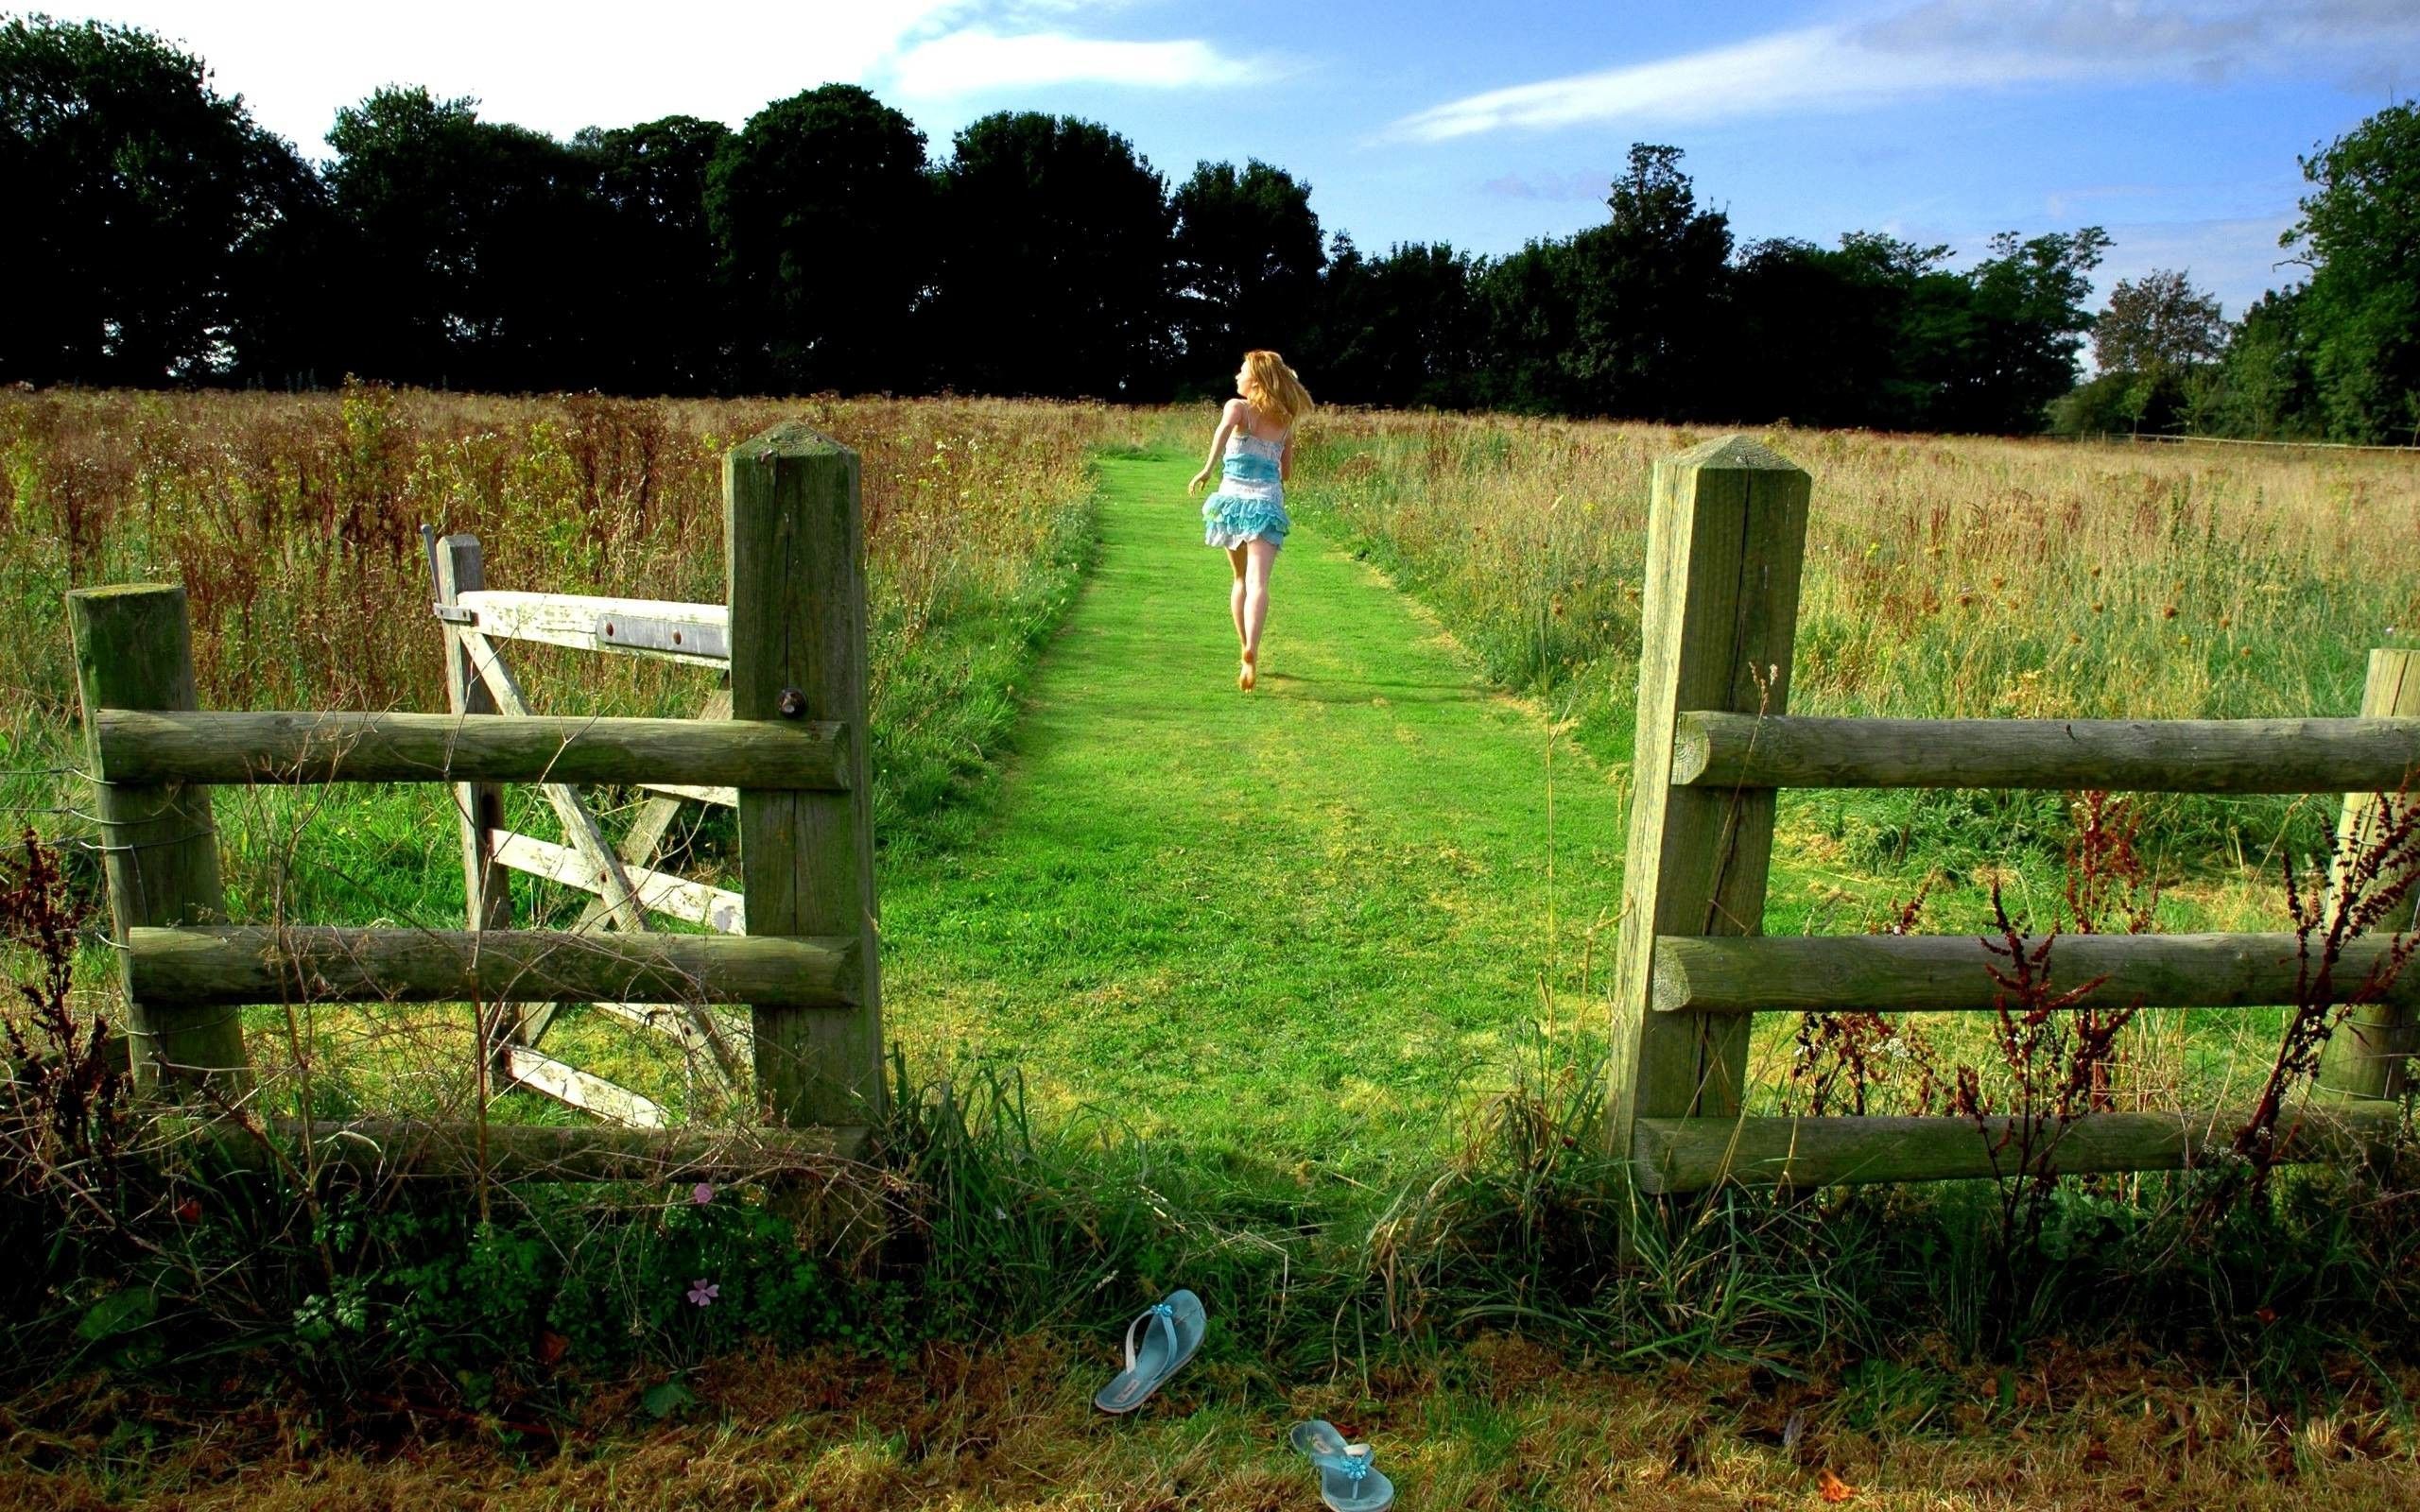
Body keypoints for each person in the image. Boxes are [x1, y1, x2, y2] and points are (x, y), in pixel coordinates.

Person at [1189, 350, 1313, 692]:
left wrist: (1207, 469)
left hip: (1232, 500)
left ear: (1255, 380)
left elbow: (1221, 434)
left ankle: (1242, 644)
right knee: (1259, 583)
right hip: (1266, 502)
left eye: (1241, 371)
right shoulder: (1285, 419)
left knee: (1240, 578)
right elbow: (1285, 472)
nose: (1236, 377)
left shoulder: (1236, 408)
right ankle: (1253, 650)